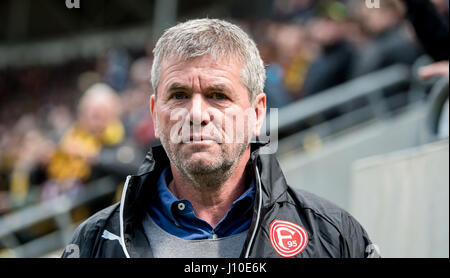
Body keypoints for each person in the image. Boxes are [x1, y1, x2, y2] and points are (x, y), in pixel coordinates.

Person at [61, 18, 379, 258]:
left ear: (257, 114)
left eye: (217, 95)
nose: (197, 113)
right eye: (179, 95)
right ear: (155, 114)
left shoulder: (333, 236)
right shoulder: (93, 243)